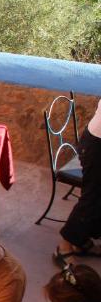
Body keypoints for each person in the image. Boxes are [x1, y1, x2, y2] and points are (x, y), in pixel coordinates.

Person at [56, 105, 101, 261]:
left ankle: (81, 239)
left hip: (95, 141)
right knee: (93, 198)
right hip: (97, 145)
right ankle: (64, 247)